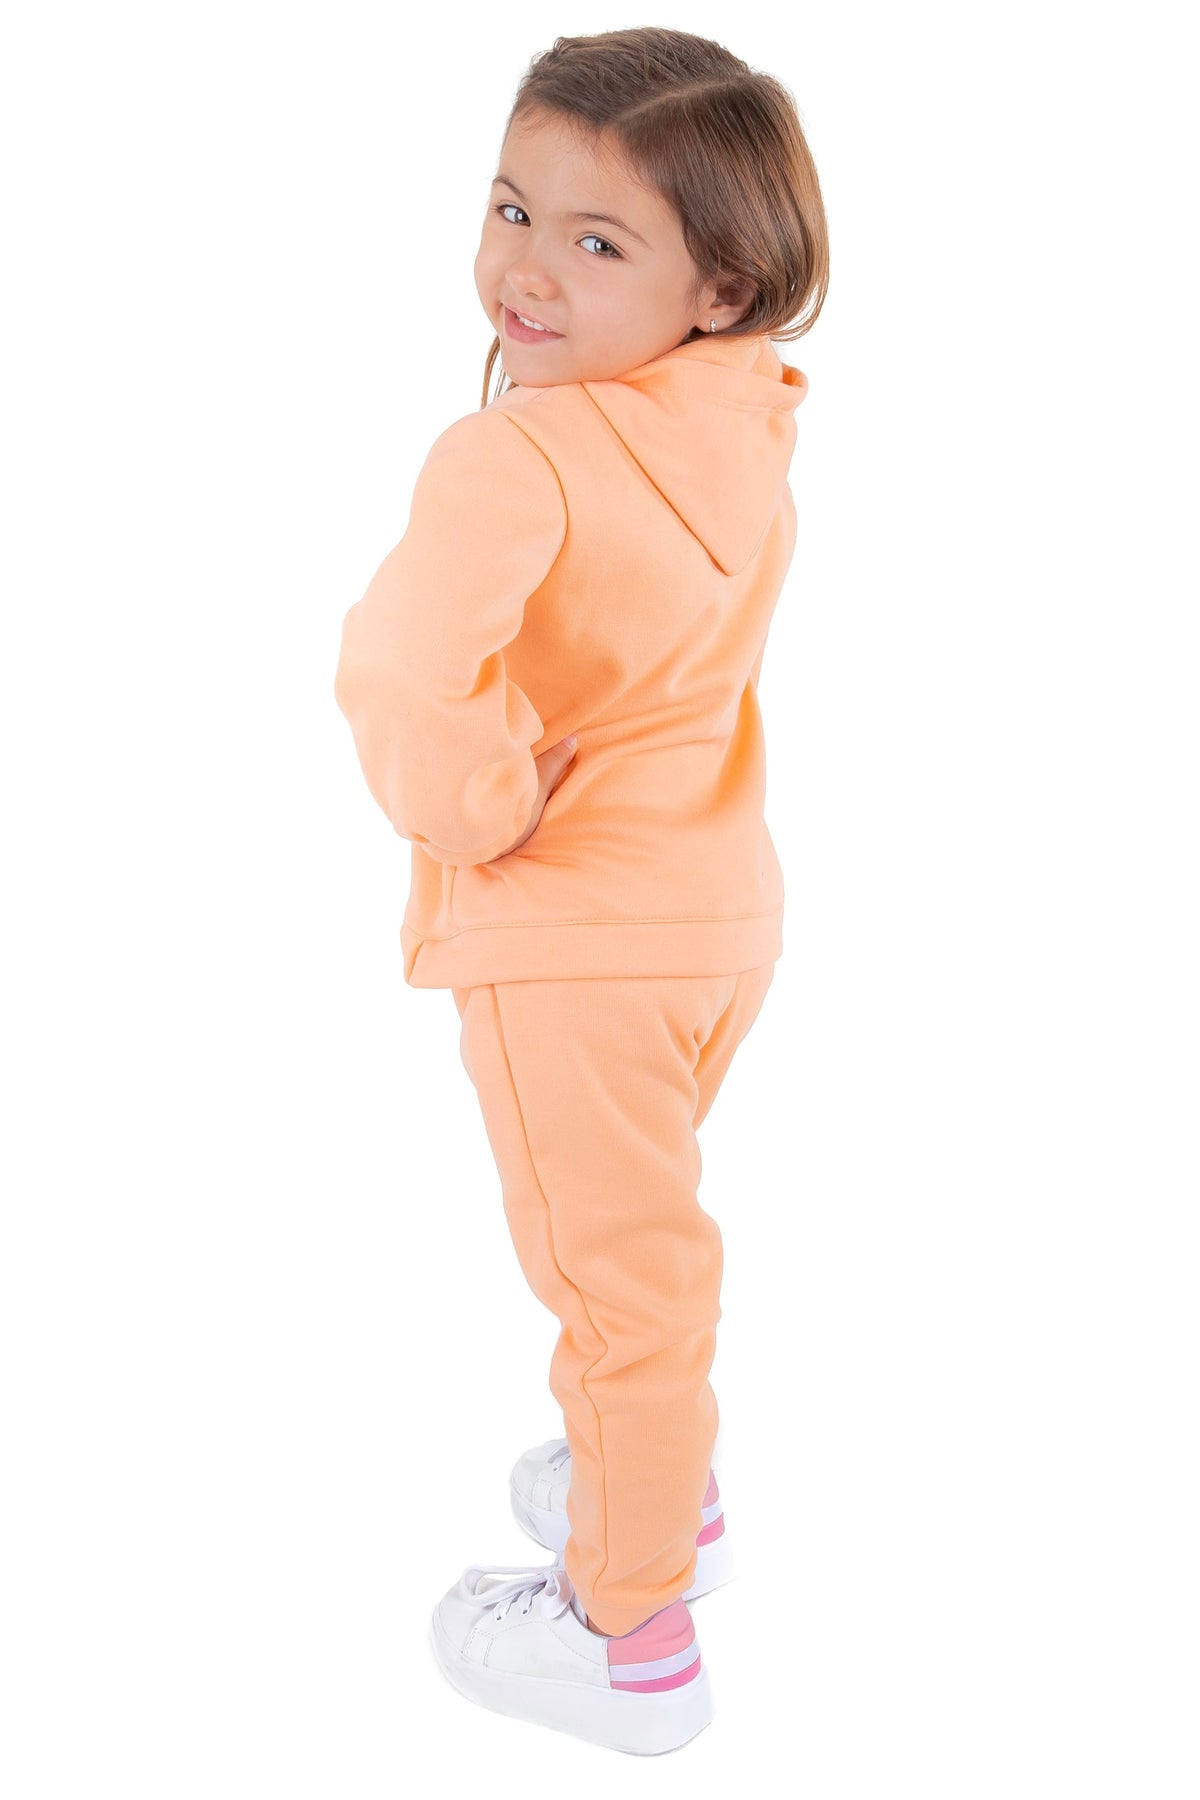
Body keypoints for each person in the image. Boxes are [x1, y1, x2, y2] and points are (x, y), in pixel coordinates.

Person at [333, 26, 828, 1756]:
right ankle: (661, 1488)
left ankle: (628, 1635)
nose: (529, 270)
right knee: (645, 1255)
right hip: (715, 916)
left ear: (721, 283)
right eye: (511, 209)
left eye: (598, 241)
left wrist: (478, 809)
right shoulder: (739, 420)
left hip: (577, 940)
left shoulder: (518, 455)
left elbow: (398, 672)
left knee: (622, 1287)